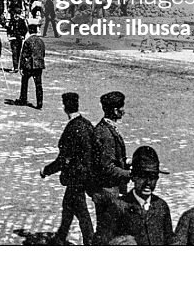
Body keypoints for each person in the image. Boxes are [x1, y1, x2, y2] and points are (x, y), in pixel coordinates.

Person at [40, 92, 96, 245]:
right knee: (68, 206)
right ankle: (60, 236)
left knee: (81, 210)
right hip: (86, 175)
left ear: (65, 107)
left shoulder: (72, 129)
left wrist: (46, 170)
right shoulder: (87, 124)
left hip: (76, 178)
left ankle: (90, 241)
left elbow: (63, 160)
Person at [91, 91, 131, 244]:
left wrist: (127, 161)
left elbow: (112, 157)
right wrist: (130, 174)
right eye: (122, 107)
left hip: (107, 191)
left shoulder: (107, 128)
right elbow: (107, 167)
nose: (124, 110)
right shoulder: (106, 134)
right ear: (115, 110)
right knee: (107, 233)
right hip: (108, 192)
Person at [112, 146, 173, 245]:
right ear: (133, 177)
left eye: (153, 177)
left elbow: (170, 241)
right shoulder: (118, 207)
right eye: (143, 176)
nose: (148, 182)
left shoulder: (161, 207)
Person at [15, 23, 45, 108]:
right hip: (39, 65)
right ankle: (39, 103)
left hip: (29, 66)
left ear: (29, 31)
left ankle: (23, 99)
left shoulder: (28, 41)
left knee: (24, 82)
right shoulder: (41, 41)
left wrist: (21, 67)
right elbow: (43, 53)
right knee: (38, 84)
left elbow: (24, 55)